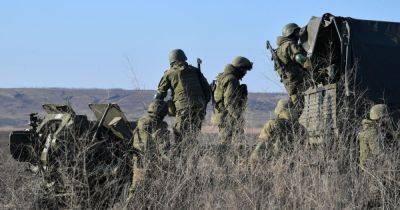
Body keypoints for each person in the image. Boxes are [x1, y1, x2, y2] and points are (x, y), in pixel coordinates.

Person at [155, 49, 211, 154]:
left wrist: (154, 111)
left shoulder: (170, 73)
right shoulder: (195, 71)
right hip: (200, 108)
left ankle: (182, 164)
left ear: (171, 61)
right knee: (192, 136)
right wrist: (202, 105)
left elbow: (160, 95)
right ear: (184, 58)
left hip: (183, 109)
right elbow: (208, 91)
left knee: (179, 137)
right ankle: (191, 160)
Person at [357, 104, 400, 208]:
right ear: (381, 118)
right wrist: (396, 172)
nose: (388, 119)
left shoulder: (373, 129)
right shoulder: (372, 132)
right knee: (377, 200)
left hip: (374, 170)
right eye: (386, 117)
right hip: (373, 172)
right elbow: (381, 154)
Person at [128, 100, 170, 202]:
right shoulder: (160, 125)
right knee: (150, 193)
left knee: (135, 190)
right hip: (151, 162)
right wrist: (169, 161)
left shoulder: (141, 121)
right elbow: (164, 147)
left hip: (138, 160)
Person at [212, 56, 252, 145]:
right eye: (244, 70)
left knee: (226, 143)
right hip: (228, 117)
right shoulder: (232, 80)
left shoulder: (222, 76)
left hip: (224, 115)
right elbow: (229, 102)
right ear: (239, 69)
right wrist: (238, 117)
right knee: (228, 144)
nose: (245, 73)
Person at [275, 23, 311, 110]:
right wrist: (310, 65)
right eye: (297, 32)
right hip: (296, 81)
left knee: (296, 106)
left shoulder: (280, 48)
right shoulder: (290, 44)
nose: (298, 35)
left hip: (290, 82)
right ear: (292, 33)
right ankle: (285, 122)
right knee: (298, 108)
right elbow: (299, 57)